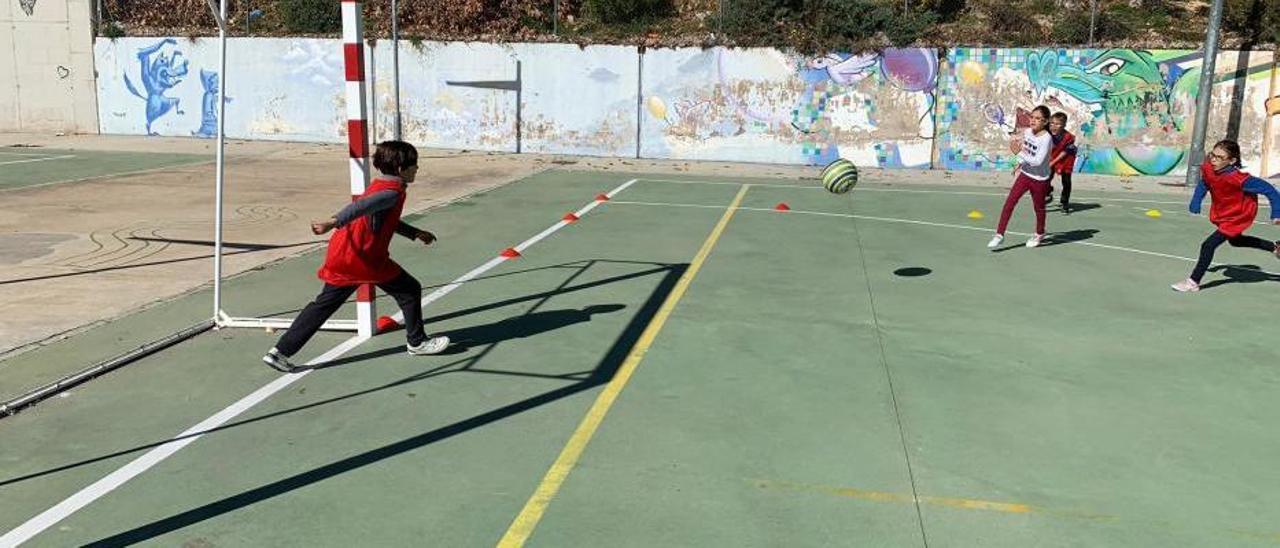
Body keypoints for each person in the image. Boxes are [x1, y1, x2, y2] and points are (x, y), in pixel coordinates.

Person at [262, 140, 450, 371]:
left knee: (324, 304)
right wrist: (332, 222)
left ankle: (279, 352)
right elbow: (360, 208)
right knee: (409, 290)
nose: (417, 169)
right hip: (362, 258)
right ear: (401, 169)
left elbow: (384, 218)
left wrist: (415, 233)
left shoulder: (381, 185)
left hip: (345, 253)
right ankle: (417, 342)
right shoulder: (390, 192)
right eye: (415, 165)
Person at [1171, 139, 1280, 293]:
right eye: (1212, 155)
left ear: (1232, 160)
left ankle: (1192, 282)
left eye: (1219, 157)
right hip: (1224, 212)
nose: (1213, 160)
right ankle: (1275, 248)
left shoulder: (1239, 179)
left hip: (1238, 216)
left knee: (1208, 245)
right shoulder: (1209, 168)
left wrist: (1276, 212)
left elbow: (1270, 190)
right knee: (1236, 241)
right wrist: (1196, 200)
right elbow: (1205, 183)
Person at [988, 105, 1053, 249]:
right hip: (1025, 175)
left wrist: (1018, 153)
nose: (1033, 121)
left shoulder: (1047, 139)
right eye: (1032, 117)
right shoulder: (1028, 132)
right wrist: (1019, 162)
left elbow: (1037, 161)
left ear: (1045, 122)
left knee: (1039, 208)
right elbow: (1027, 152)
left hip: (1040, 180)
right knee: (1009, 202)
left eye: (1038, 119)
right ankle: (999, 234)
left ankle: (1039, 233)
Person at [1045, 112, 1078, 213]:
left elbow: (1064, 153)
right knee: (1046, 178)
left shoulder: (1069, 138)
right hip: (1053, 157)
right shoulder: (1046, 133)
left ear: (1064, 125)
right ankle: (1047, 191)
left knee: (1066, 182)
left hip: (1066, 159)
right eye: (1052, 123)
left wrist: (1052, 162)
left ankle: (1065, 203)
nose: (1053, 126)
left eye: (1057, 124)